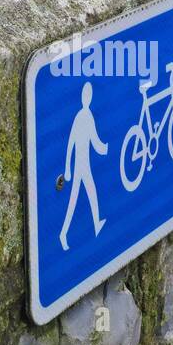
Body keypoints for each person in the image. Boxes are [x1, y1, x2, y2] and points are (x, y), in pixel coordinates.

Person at [60, 83, 108, 251]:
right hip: (80, 165)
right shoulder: (84, 116)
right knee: (73, 200)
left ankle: (96, 223)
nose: (87, 98)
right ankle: (63, 233)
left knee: (90, 193)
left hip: (83, 164)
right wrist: (106, 148)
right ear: (85, 97)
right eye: (87, 95)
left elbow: (90, 141)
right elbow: (74, 142)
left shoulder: (83, 115)